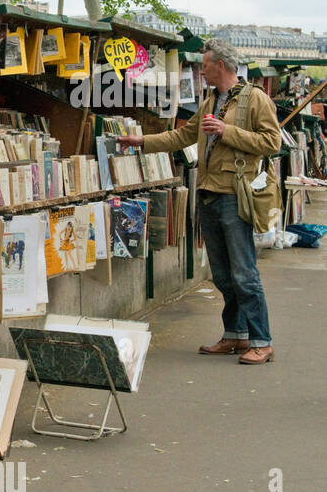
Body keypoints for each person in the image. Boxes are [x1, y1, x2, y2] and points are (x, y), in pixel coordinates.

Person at [116, 38, 281, 364]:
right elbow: (182, 137)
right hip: (208, 195)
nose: (201, 72)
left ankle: (262, 341)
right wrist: (141, 141)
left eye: (204, 66)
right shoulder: (209, 103)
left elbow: (271, 142)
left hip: (235, 196)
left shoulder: (255, 99)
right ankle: (235, 336)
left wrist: (225, 131)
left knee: (244, 274)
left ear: (220, 65)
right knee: (222, 275)